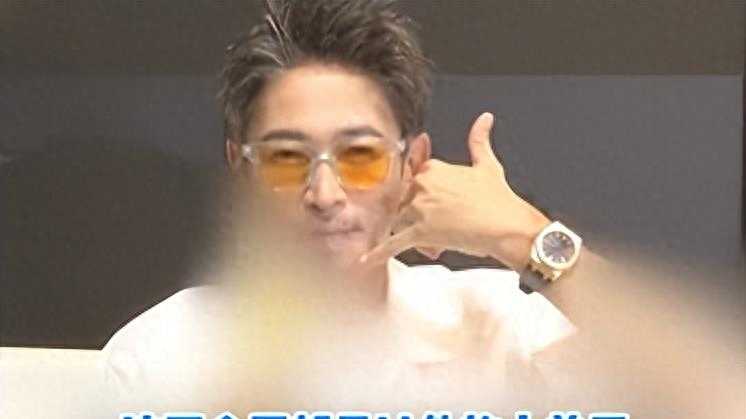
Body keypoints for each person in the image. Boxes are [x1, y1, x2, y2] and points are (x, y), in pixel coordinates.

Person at [99, 0, 690, 415]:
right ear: (241, 168)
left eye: (359, 155)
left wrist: (521, 234)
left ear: (413, 164)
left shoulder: (489, 325)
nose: (325, 194)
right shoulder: (163, 354)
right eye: (285, 158)